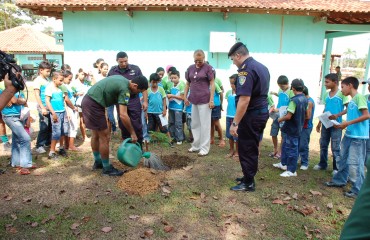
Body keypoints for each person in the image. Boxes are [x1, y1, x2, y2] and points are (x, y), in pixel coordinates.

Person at [81, 75, 148, 176]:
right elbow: (123, 115)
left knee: (96, 134)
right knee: (104, 137)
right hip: (94, 105)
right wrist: (133, 133)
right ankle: (107, 169)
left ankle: (98, 162)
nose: (136, 94)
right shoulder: (125, 90)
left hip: (88, 100)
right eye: (138, 91)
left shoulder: (122, 79)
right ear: (134, 85)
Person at [228, 42, 270, 192]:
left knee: (246, 147)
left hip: (252, 114)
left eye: (233, 59)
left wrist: (235, 123)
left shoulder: (245, 71)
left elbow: (244, 99)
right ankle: (248, 176)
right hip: (261, 112)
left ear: (238, 55)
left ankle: (249, 182)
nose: (233, 63)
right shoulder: (261, 67)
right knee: (251, 145)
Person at [325, 77, 369, 198]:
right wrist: (337, 115)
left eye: (343, 87)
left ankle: (357, 190)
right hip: (349, 135)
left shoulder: (360, 97)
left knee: (355, 163)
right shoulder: (353, 99)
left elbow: (366, 115)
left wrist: (347, 123)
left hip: (358, 137)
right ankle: (339, 180)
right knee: (342, 158)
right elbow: (348, 109)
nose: (342, 90)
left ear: (350, 85)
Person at [108, 51, 147, 146]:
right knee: (122, 122)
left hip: (133, 100)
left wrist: (145, 101)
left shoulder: (135, 69)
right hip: (120, 100)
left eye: (125, 61)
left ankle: (138, 145)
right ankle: (127, 146)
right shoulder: (113, 71)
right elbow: (109, 85)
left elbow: (143, 86)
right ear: (117, 61)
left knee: (136, 123)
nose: (124, 63)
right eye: (121, 62)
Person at [314, 73, 349, 174]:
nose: (325, 84)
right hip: (326, 124)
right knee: (323, 144)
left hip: (336, 125)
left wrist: (337, 115)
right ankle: (322, 163)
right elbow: (325, 109)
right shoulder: (326, 95)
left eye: (327, 82)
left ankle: (336, 168)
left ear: (335, 82)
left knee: (335, 147)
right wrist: (320, 122)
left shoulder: (341, 94)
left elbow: (348, 108)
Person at [273, 79, 308, 177]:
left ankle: (292, 170)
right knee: (285, 145)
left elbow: (288, 116)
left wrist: (280, 119)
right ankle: (283, 164)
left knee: (292, 149)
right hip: (297, 127)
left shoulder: (294, 100)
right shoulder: (305, 99)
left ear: (292, 88)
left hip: (292, 128)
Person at [184, 49, 215, 156]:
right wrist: (185, 97)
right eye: (196, 60)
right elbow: (187, 84)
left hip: (205, 100)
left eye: (200, 61)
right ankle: (196, 145)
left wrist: (211, 100)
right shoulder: (190, 68)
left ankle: (204, 148)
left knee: (205, 124)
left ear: (204, 58)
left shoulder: (208, 68)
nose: (198, 63)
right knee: (195, 124)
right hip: (194, 99)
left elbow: (212, 84)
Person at [0, 81, 33, 174]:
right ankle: (25, 165)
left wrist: (20, 101)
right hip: (10, 117)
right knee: (25, 138)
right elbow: (14, 100)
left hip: (20, 116)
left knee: (16, 139)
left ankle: (15, 162)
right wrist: (19, 100)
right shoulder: (3, 90)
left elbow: (24, 103)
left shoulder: (19, 91)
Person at [45, 71, 71, 160]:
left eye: (62, 80)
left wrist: (66, 113)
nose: (61, 82)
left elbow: (64, 101)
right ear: (54, 79)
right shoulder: (49, 88)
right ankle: (51, 152)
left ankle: (61, 148)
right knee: (56, 132)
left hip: (62, 112)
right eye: (60, 80)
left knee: (62, 131)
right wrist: (53, 113)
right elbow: (47, 101)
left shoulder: (61, 88)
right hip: (55, 113)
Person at [269, 75, 294, 159]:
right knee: (273, 132)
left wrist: (279, 109)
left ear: (287, 83)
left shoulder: (291, 92)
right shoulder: (280, 89)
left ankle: (280, 151)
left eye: (283, 86)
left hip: (284, 116)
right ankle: (275, 149)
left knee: (283, 135)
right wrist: (274, 93)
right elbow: (280, 95)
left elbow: (291, 105)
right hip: (277, 115)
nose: (281, 88)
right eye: (279, 86)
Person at [34, 60, 52, 154]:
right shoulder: (38, 80)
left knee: (50, 126)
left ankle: (47, 142)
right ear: (41, 70)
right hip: (43, 106)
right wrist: (42, 107)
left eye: (49, 71)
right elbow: (37, 95)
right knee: (44, 126)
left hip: (49, 106)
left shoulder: (47, 80)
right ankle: (39, 145)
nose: (49, 73)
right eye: (47, 71)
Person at [147, 73, 171, 142]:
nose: (154, 84)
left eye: (156, 82)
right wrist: (146, 112)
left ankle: (169, 140)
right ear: (150, 81)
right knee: (151, 127)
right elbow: (147, 101)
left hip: (159, 112)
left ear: (158, 82)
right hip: (150, 112)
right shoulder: (148, 90)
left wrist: (164, 109)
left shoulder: (161, 89)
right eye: (153, 82)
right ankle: (153, 139)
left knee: (163, 126)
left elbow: (164, 99)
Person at [71, 68, 92, 142]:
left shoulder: (87, 82)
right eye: (82, 74)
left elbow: (93, 85)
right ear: (78, 74)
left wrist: (90, 75)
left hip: (88, 103)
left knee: (87, 119)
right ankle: (84, 136)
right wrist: (77, 94)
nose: (84, 76)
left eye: (85, 75)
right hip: (79, 103)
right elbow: (71, 94)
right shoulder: (74, 83)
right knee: (82, 119)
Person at [62, 70, 80, 151]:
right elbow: (66, 99)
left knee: (69, 126)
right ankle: (71, 145)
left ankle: (67, 144)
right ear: (64, 77)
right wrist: (73, 108)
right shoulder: (63, 86)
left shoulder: (66, 85)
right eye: (69, 79)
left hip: (71, 107)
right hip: (69, 108)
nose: (70, 81)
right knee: (73, 126)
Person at [298, 86, 315, 170]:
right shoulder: (304, 100)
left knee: (303, 144)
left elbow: (308, 116)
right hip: (300, 125)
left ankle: (305, 162)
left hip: (306, 126)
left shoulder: (309, 102)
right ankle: (298, 158)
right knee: (298, 143)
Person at [167, 70, 185, 145]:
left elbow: (182, 97)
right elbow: (168, 93)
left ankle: (179, 138)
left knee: (178, 123)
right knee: (171, 122)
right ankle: (173, 137)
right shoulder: (170, 85)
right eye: (172, 78)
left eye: (175, 78)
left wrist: (172, 96)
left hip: (178, 108)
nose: (173, 79)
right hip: (171, 107)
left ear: (179, 77)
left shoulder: (181, 85)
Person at [225, 74, 238, 159]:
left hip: (236, 117)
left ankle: (237, 152)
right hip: (228, 116)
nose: (231, 85)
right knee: (229, 135)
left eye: (233, 83)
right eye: (230, 83)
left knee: (236, 135)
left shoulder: (240, 93)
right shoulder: (228, 93)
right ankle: (231, 150)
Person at [210, 80, 225, 147]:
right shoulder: (205, 84)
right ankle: (212, 138)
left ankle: (221, 139)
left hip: (216, 105)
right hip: (209, 106)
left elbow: (221, 93)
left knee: (216, 122)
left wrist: (221, 103)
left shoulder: (214, 84)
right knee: (211, 123)